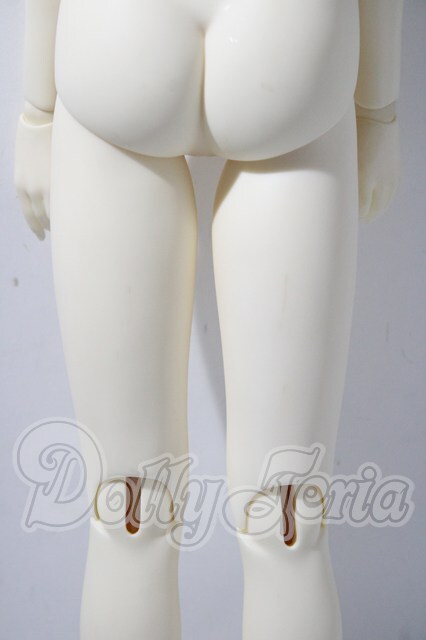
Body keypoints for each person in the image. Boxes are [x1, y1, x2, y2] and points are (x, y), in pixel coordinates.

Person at [14, 0, 404, 638]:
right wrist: (378, 108)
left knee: (206, 513)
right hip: (275, 48)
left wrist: (38, 110)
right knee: (206, 514)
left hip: (137, 47)